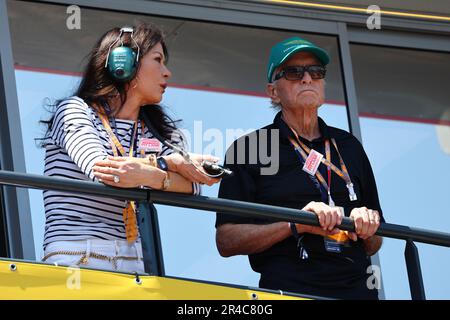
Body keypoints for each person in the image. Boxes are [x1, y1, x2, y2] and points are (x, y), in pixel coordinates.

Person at [41, 23, 220, 273]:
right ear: (124, 63)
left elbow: (194, 185)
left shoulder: (155, 129)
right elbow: (101, 168)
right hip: (78, 256)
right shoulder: (74, 110)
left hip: (135, 261)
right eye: (158, 60)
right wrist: (167, 165)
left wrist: (150, 174)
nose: (167, 72)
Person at [215, 37, 384, 300]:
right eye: (294, 72)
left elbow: (375, 243)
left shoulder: (349, 146)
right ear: (273, 91)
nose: (307, 79)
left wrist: (367, 224)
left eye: (316, 72)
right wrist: (296, 224)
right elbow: (226, 240)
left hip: (357, 291)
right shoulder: (249, 148)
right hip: (289, 291)